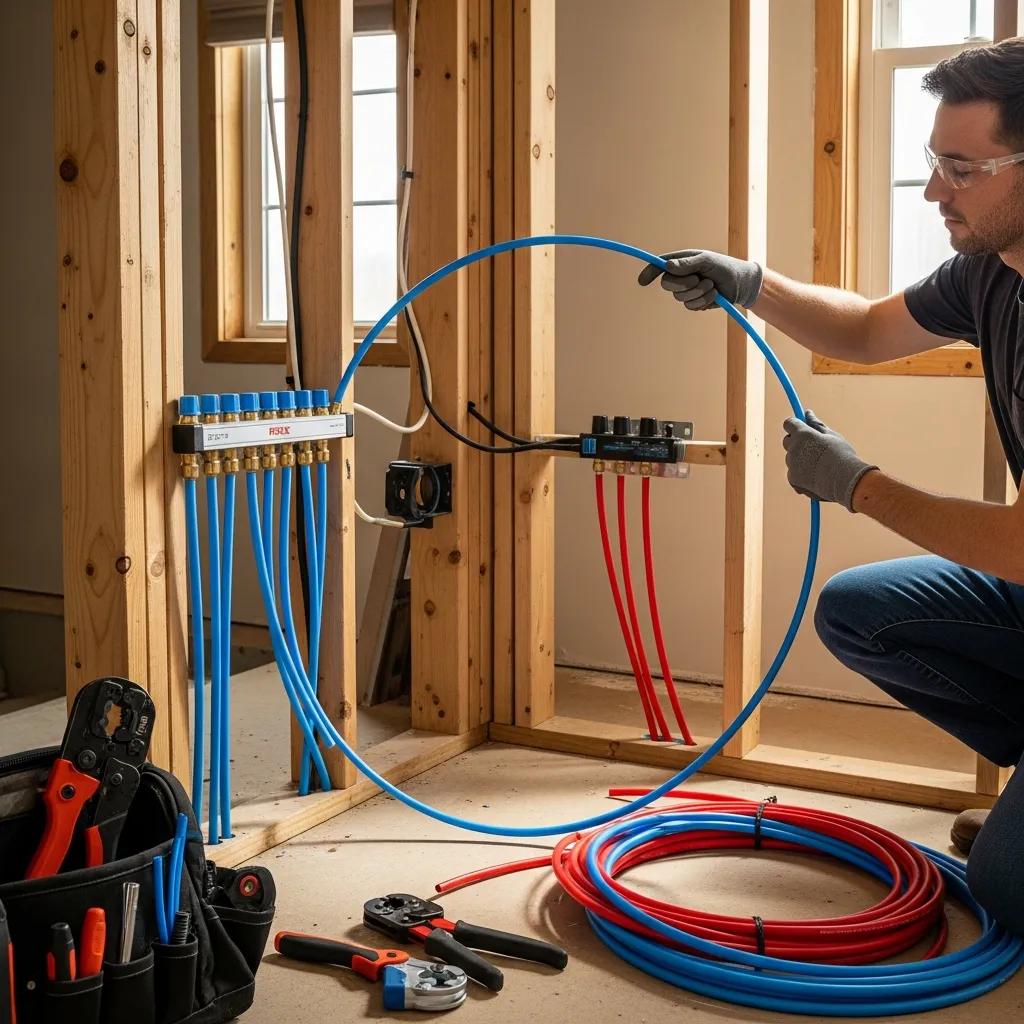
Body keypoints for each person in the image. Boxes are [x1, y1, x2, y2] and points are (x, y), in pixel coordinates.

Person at [639, 37, 1024, 936]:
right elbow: (861, 329)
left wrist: (858, 486)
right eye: (936, 163)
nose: (937, 191)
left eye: (962, 169)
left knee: (1006, 895)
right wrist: (750, 282)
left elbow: (1017, 547)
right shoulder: (990, 275)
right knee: (862, 611)